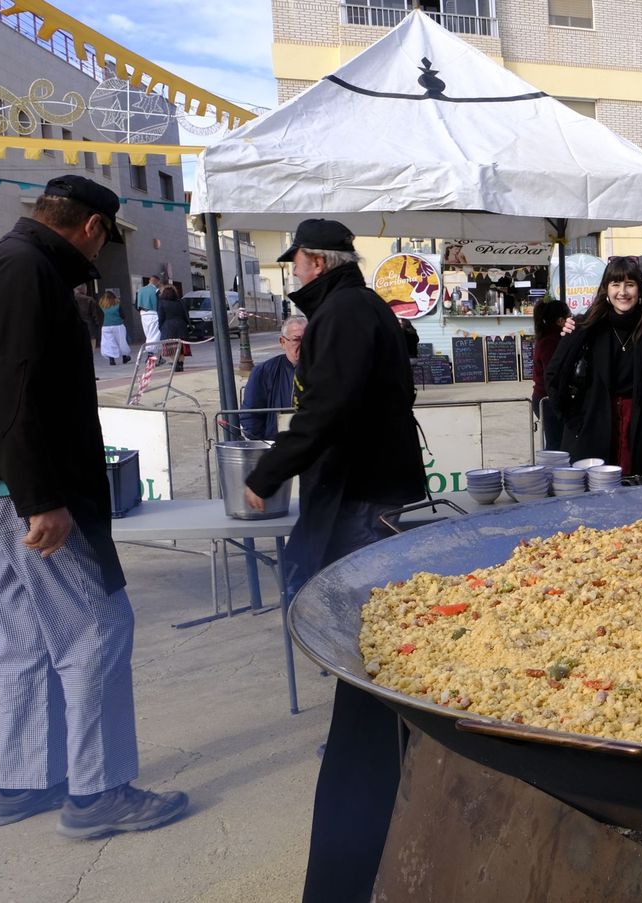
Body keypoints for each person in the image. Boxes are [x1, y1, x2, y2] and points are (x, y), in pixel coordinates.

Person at [0, 174, 189, 838]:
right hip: (28, 499)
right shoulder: (27, 269)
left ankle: (24, 778)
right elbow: (9, 388)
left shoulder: (6, 262)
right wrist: (41, 497)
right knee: (98, 628)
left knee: (23, 642)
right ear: (94, 228)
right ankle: (98, 791)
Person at [240, 219, 425, 903]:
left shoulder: (344, 312)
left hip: (363, 501)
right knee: (370, 651)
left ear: (315, 261)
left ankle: (377, 756)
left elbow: (327, 413)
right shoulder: (356, 306)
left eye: (296, 264)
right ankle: (376, 741)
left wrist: (267, 472)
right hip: (370, 494)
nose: (293, 275)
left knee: (368, 650)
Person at [545, 260, 642, 474]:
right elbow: (554, 374)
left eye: (630, 284)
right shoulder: (585, 325)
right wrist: (571, 417)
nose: (623, 292)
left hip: (636, 426)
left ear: (639, 288)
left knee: (637, 489)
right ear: (606, 290)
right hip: (593, 421)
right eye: (615, 284)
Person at [241, 316, 306, 441]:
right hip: (276, 444)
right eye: (296, 340)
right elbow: (250, 415)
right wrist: (266, 445)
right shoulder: (264, 371)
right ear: (283, 342)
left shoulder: (325, 369)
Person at [530, 299, 570, 452]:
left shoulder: (556, 337)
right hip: (547, 400)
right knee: (555, 445)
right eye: (569, 316)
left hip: (549, 398)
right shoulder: (550, 341)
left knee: (560, 442)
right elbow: (552, 376)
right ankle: (551, 474)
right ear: (560, 321)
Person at [156, 282, 188, 371]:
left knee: (170, 349)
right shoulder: (181, 302)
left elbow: (161, 317)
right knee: (181, 348)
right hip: (181, 326)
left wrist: (161, 327)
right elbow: (186, 315)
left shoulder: (162, 303)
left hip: (168, 327)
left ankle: (176, 363)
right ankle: (181, 364)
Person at [97, 289, 129, 366]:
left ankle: (112, 360)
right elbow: (123, 315)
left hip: (106, 326)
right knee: (121, 341)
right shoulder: (117, 306)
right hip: (118, 325)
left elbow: (99, 316)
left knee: (109, 343)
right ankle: (125, 357)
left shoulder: (101, 307)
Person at [135, 275, 160, 347]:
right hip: (154, 313)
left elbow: (136, 305)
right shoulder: (156, 290)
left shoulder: (140, 290)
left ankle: (150, 352)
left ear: (149, 281)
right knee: (154, 334)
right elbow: (159, 304)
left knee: (148, 333)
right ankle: (150, 352)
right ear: (157, 282)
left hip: (143, 314)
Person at [73, 284, 100, 351]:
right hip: (89, 329)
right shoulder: (90, 300)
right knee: (90, 350)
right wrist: (98, 326)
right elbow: (96, 316)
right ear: (84, 289)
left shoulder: (69, 300)